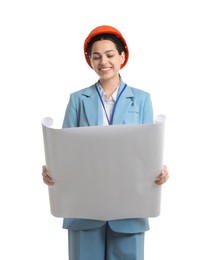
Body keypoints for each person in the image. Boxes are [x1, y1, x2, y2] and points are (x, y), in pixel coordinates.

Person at [42, 25, 169, 260]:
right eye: (96, 56)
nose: (103, 62)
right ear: (90, 61)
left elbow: (149, 147)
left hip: (129, 204)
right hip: (84, 203)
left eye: (110, 55)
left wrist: (158, 170)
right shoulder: (78, 100)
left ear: (122, 57)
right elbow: (65, 148)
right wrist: (53, 168)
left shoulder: (142, 99)